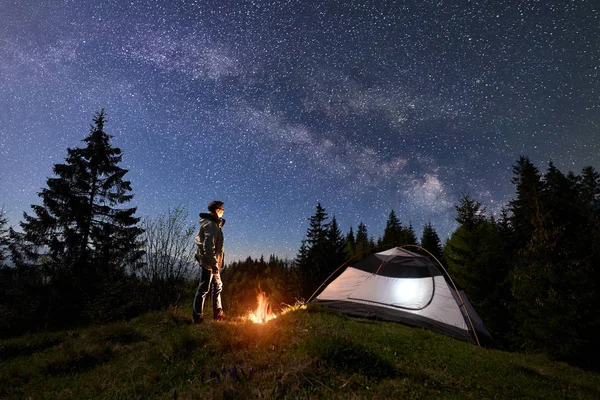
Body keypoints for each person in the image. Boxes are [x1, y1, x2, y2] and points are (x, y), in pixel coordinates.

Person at [192, 200, 226, 323]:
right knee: (204, 288)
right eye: (221, 208)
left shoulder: (215, 224)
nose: (223, 211)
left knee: (217, 286)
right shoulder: (210, 225)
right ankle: (198, 317)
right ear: (216, 209)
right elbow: (208, 246)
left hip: (213, 262)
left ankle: (218, 314)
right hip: (209, 263)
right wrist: (213, 263)